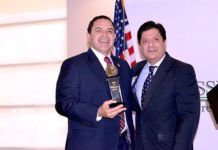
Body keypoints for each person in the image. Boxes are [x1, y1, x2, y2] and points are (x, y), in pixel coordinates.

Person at [55, 15, 135, 150]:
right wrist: (97, 111)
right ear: (89, 36)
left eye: (109, 31)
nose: (105, 35)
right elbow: (64, 104)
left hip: (123, 143)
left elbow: (128, 101)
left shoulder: (123, 65)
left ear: (115, 36)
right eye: (99, 30)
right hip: (91, 145)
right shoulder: (74, 65)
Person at [132, 21, 200, 150]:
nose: (150, 45)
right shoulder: (136, 69)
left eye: (155, 39)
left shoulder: (182, 71)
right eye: (145, 41)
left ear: (164, 41)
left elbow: (188, 117)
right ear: (140, 46)